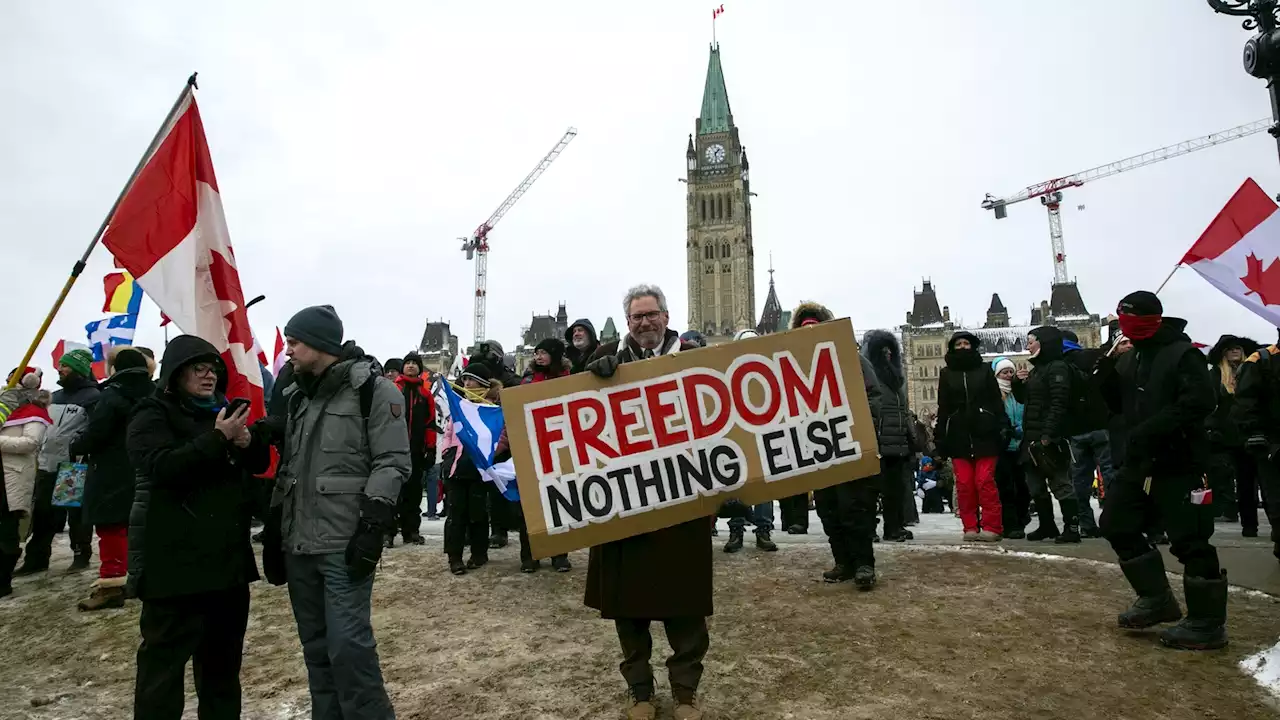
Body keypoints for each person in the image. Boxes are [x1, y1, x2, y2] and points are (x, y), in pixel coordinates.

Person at [270, 305, 410, 718]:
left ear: (319, 343)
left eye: (294, 342)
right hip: (299, 543)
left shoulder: (374, 390)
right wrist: (277, 527)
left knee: (349, 649)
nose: (288, 350)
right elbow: (292, 468)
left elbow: (393, 462)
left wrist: (372, 524)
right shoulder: (296, 395)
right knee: (315, 651)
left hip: (344, 543)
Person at [126, 335, 271, 718]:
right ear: (176, 373)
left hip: (226, 566)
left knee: (223, 671)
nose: (208, 376)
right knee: (162, 673)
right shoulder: (151, 413)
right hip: (174, 567)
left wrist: (244, 441)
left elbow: (257, 467)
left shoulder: (224, 411)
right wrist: (217, 438)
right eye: (198, 369)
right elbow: (161, 468)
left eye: (213, 370)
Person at [583, 284, 708, 720]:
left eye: (651, 314)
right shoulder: (610, 365)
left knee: (686, 604)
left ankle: (686, 692)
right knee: (628, 606)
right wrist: (591, 375)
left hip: (682, 501)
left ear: (666, 317)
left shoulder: (695, 359)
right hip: (626, 506)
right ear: (628, 323)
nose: (644, 323)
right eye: (636, 317)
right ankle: (640, 691)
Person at [1097, 291, 1224, 650]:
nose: (1127, 326)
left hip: (1180, 461)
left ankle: (1207, 621)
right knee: (1116, 523)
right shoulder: (1129, 357)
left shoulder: (1183, 355)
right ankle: (1156, 598)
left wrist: (1152, 428)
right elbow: (1115, 405)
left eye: (1132, 318)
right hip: (1139, 462)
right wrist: (1105, 370)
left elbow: (1200, 402)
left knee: (1190, 539)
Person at [788, 303, 884, 588]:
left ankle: (864, 563)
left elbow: (873, 397)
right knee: (828, 508)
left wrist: (858, 422)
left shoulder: (850, 358)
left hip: (849, 443)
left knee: (855, 506)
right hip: (819, 449)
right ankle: (843, 561)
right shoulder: (794, 365)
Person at [71, 348, 156, 611]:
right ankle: (142, 578)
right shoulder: (156, 393)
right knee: (140, 527)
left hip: (110, 470)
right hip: (144, 469)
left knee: (110, 528)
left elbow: (97, 432)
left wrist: (77, 443)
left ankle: (112, 586)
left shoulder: (112, 394)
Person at [17, 350, 99, 575]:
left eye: (65, 366)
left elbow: (95, 430)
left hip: (71, 466)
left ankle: (80, 555)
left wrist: (77, 448)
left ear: (79, 370)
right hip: (46, 463)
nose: (59, 369)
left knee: (75, 515)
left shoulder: (93, 397)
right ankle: (36, 558)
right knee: (43, 513)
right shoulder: (55, 396)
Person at [934, 331, 1008, 542]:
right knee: (965, 484)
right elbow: (943, 408)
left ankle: (992, 526)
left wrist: (1002, 426)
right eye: (959, 344)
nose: (963, 347)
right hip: (958, 436)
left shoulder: (984, 370)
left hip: (985, 433)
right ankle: (970, 527)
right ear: (952, 347)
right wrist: (940, 439)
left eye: (967, 343)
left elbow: (995, 401)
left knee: (984, 481)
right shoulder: (946, 374)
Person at [1012, 326, 1082, 544]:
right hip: (1031, 437)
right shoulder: (1038, 370)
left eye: (1031, 341)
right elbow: (1026, 400)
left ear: (1044, 343)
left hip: (1049, 436)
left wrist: (1048, 434)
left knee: (1060, 482)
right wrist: (1018, 384)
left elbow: (1059, 403)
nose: (1028, 345)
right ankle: (1047, 525)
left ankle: (1072, 527)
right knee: (1035, 484)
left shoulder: (1058, 368)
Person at [515, 338, 574, 572]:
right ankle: (529, 555)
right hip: (532, 448)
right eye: (536, 352)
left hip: (560, 449)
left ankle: (560, 554)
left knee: (561, 502)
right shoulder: (527, 381)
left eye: (544, 352)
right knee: (531, 506)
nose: (538, 356)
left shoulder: (569, 380)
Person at [721, 330, 779, 553]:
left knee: (763, 487)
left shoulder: (768, 370)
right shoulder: (727, 372)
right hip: (737, 439)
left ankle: (763, 530)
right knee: (736, 488)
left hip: (763, 437)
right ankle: (736, 530)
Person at [1061, 329, 1116, 538]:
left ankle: (1086, 523)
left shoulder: (1059, 365)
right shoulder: (1096, 358)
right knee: (1110, 475)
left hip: (1075, 429)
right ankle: (1114, 520)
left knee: (1079, 481)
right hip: (1101, 424)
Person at [441, 366, 496, 575]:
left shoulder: (490, 409)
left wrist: (489, 455)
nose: (467, 384)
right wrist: (447, 452)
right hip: (456, 466)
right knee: (456, 513)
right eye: (464, 380)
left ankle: (479, 552)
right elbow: (448, 432)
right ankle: (454, 557)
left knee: (478, 513)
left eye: (471, 380)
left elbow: (498, 436)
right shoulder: (458, 406)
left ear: (482, 384)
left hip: (479, 468)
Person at [862, 330, 916, 542]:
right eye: (882, 351)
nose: (886, 354)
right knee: (870, 492)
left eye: (889, 350)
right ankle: (868, 530)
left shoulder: (896, 378)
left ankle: (894, 527)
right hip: (876, 439)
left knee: (895, 490)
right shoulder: (867, 374)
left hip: (896, 441)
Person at [0, 373, 50, 599]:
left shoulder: (34, 413)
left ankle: (2, 579)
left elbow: (30, 443)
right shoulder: (4, 408)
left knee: (6, 530)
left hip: (12, 478)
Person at [1206, 335, 1259, 528]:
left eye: (1237, 348)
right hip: (1224, 434)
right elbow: (1210, 404)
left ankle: (1250, 523)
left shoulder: (1254, 371)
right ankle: (1230, 512)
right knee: (1223, 475)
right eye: (1229, 349)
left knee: (1251, 479)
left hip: (1250, 431)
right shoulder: (1216, 376)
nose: (1234, 351)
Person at [390, 351, 436, 547]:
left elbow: (431, 423)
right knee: (392, 493)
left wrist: (431, 449)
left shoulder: (425, 394)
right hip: (392, 451)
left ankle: (411, 531)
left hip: (415, 450)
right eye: (407, 363)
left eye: (414, 363)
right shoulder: (392, 390)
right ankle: (388, 533)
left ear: (419, 368)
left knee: (414, 493)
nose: (410, 366)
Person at [991, 357, 1029, 538]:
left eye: (1010, 372)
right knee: (1006, 488)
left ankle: (1021, 520)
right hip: (1003, 447)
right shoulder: (993, 394)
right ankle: (1010, 524)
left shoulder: (1019, 392)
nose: (1008, 375)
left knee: (1023, 487)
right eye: (1004, 372)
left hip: (1021, 445)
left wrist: (1021, 429)